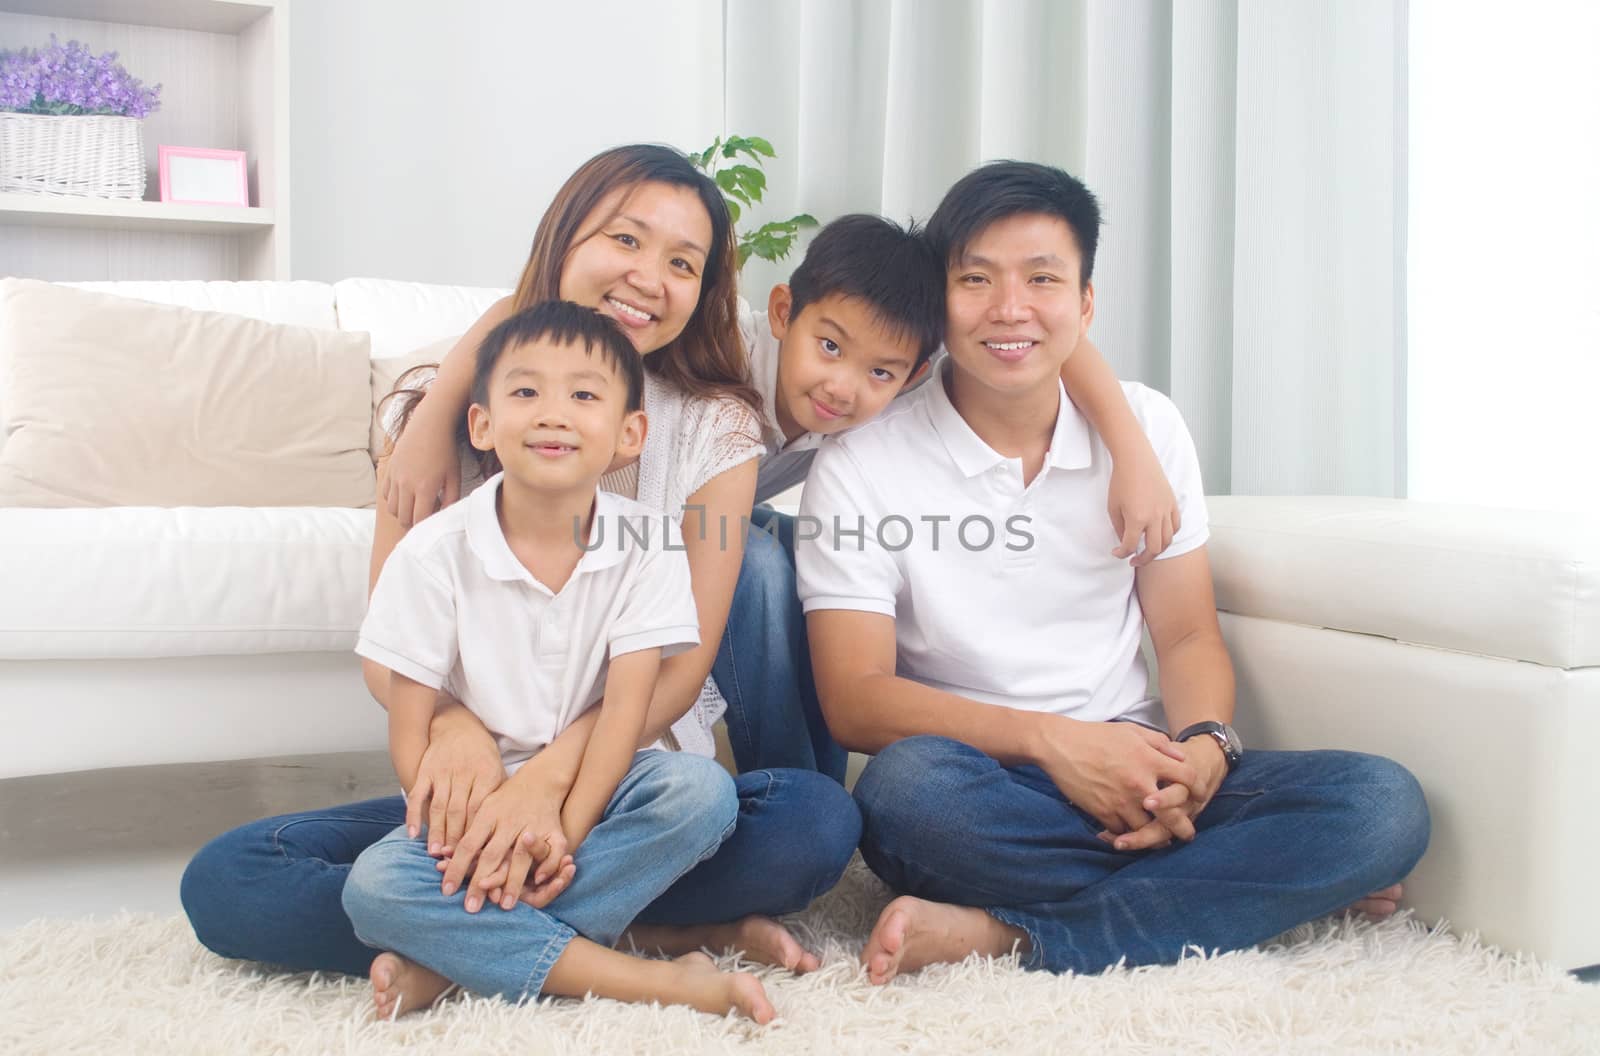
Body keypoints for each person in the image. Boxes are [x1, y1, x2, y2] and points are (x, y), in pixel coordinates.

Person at [182, 144, 859, 990]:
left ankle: (454, 945)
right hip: (466, 784)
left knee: (813, 823)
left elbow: (680, 672)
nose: (650, 277)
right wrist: (462, 735)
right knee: (230, 879)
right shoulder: (453, 414)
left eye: (683, 263)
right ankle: (642, 935)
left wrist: (549, 786)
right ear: (564, 239)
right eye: (626, 239)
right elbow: (389, 657)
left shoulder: (712, 426)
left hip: (630, 786)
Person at [797, 161, 1431, 983]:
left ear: (1085, 305)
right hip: (981, 779)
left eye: (1043, 279)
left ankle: (1014, 938)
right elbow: (854, 699)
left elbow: (1188, 631)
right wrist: (1056, 744)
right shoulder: (863, 461)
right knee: (903, 795)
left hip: (1145, 771)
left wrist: (1205, 750)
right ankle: (1248, 892)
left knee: (1382, 804)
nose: (1010, 308)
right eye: (977, 280)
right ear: (939, 299)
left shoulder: (1148, 428)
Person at [343, 300, 771, 1020]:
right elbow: (411, 727)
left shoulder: (648, 543)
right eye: (524, 391)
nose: (552, 413)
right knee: (375, 885)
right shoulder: (433, 552)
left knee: (701, 793)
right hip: (471, 802)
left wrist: (560, 833)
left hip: (599, 790)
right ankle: (653, 977)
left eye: (583, 395)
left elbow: (628, 713)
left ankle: (453, 962)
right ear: (481, 423)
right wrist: (469, 833)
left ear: (629, 434)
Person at [724, 213, 1187, 781]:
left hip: (732, 520)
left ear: (913, 372)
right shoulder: (725, 354)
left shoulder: (893, 359)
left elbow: (1057, 347)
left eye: (879, 372)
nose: (842, 386)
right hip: (642, 526)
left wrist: (1132, 452)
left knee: (815, 553)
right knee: (761, 560)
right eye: (827, 347)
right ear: (781, 314)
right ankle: (790, 789)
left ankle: (815, 796)